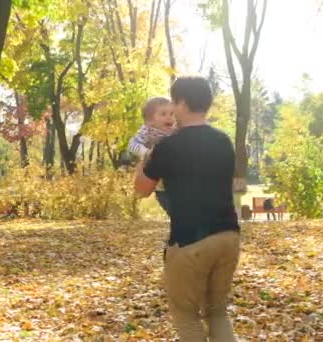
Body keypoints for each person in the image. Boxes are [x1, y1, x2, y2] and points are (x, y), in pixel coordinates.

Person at [134, 76, 240, 341]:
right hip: (228, 236)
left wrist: (143, 155)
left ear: (182, 102)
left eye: (173, 103)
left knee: (187, 315)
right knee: (217, 313)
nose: (171, 110)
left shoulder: (167, 146)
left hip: (190, 241)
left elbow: (142, 189)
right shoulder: (223, 141)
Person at [128, 97, 176, 216]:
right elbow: (132, 145)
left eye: (171, 113)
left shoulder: (175, 130)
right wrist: (146, 152)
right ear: (150, 121)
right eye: (163, 114)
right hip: (159, 185)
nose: (169, 117)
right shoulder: (147, 131)